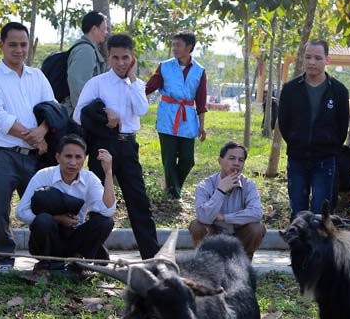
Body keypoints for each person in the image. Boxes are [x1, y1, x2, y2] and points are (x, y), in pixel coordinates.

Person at [73, 33, 160, 260]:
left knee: (139, 202)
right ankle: (92, 253)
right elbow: (78, 115)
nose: (120, 63)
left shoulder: (138, 85)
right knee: (98, 201)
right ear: (107, 56)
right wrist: (104, 114)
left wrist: (132, 80)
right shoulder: (97, 83)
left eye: (125, 58)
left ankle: (152, 257)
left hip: (129, 147)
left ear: (132, 58)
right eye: (115, 58)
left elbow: (141, 110)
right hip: (103, 146)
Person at [0, 22, 55, 270]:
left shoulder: (38, 76)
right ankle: (4, 259)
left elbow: (53, 109)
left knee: (40, 206)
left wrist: (42, 131)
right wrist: (33, 137)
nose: (18, 50)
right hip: (4, 154)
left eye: (23, 45)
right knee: (0, 207)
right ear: (1, 45)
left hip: (36, 157)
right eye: (12, 44)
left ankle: (46, 257)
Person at [16, 134, 115, 272]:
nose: (73, 163)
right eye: (68, 156)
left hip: (75, 238)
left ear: (84, 159)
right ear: (58, 157)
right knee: (43, 220)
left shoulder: (90, 179)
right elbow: (21, 212)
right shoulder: (43, 175)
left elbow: (107, 211)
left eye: (78, 157)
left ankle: (78, 261)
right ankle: (46, 263)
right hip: (49, 237)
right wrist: (57, 219)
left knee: (105, 222)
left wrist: (108, 172)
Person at [278, 39, 349, 218]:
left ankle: (319, 246)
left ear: (327, 60)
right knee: (298, 211)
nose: (312, 62)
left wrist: (329, 145)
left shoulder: (339, 91)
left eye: (318, 58)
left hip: (325, 160)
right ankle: (299, 246)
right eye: (308, 57)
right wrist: (296, 141)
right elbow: (284, 123)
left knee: (321, 212)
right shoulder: (290, 89)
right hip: (297, 158)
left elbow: (342, 127)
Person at [145, 31, 208, 199]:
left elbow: (201, 101)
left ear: (189, 47)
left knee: (188, 159)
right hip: (168, 116)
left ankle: (173, 187)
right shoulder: (165, 66)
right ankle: (174, 194)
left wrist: (202, 125)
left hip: (188, 118)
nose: (174, 48)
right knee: (169, 158)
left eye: (178, 45)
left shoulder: (200, 71)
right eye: (173, 45)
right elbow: (149, 87)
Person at [188, 141, 266, 260]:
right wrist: (220, 190)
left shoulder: (249, 185)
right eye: (231, 158)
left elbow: (257, 212)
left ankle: (244, 264)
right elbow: (203, 217)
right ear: (220, 161)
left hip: (240, 234)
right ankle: (205, 262)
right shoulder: (205, 185)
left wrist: (225, 217)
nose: (236, 163)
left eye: (241, 160)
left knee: (257, 228)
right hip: (213, 233)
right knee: (197, 226)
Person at [63, 11, 107, 115]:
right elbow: (77, 84)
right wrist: (83, 113)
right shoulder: (86, 51)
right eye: (104, 28)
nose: (106, 32)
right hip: (78, 115)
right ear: (94, 29)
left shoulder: (89, 49)